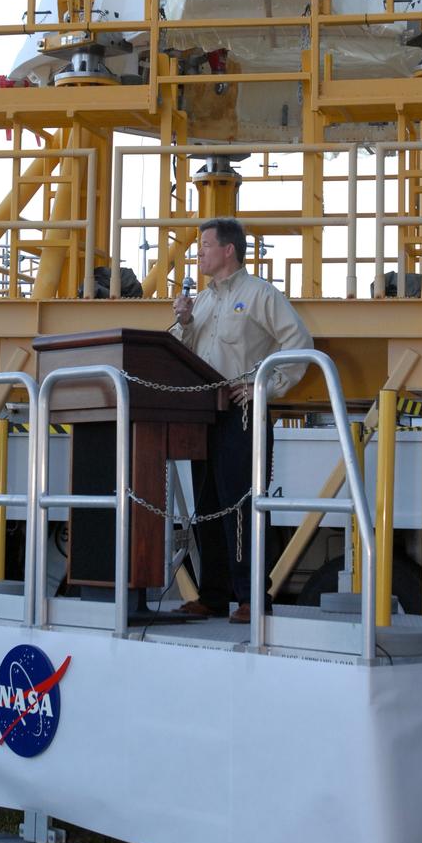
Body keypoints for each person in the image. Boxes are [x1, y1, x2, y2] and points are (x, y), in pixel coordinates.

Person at [171, 217, 313, 623]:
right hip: (205, 412)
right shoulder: (201, 301)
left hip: (243, 412)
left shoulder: (260, 295)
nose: (199, 253)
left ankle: (253, 597)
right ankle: (213, 595)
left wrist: (265, 387)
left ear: (228, 250)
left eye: (205, 246)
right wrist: (183, 324)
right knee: (208, 504)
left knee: (242, 506)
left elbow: (299, 343)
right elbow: (187, 355)